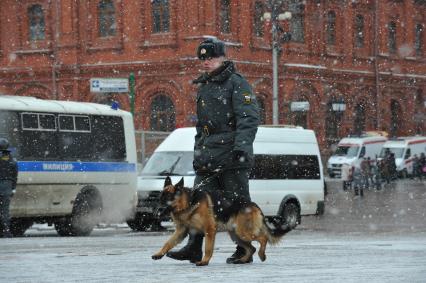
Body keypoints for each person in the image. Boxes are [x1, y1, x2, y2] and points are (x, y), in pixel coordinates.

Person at [166, 37, 260, 264]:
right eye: (203, 58)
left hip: (231, 158)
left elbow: (248, 118)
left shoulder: (237, 83)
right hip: (208, 158)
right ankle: (193, 247)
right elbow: (202, 127)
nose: (206, 62)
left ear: (222, 58)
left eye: (211, 58)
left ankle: (244, 249)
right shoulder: (205, 86)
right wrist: (198, 152)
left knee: (237, 205)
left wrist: (241, 149)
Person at [0, 138, 18, 238]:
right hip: (7, 187)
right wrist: (13, 188)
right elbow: (15, 176)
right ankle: (6, 231)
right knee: (5, 211)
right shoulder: (12, 160)